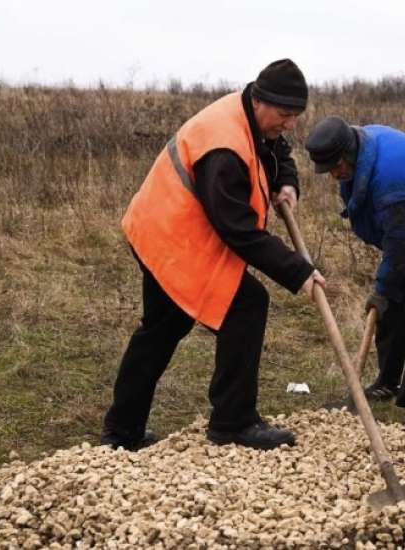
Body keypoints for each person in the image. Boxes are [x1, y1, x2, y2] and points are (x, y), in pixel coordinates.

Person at [101, 59, 326, 451]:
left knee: (161, 329)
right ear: (260, 100)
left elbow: (277, 150)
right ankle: (232, 422)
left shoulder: (249, 117)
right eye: (285, 115)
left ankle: (122, 431)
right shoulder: (223, 147)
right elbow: (237, 230)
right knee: (245, 304)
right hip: (172, 236)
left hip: (166, 226)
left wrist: (286, 183)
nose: (289, 124)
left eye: (296, 116)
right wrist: (298, 271)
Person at [304, 116, 405, 431]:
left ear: (349, 151)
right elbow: (393, 237)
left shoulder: (395, 177)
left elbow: (402, 245)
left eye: (336, 166)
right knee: (391, 306)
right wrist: (386, 291)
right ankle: (388, 381)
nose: (333, 175)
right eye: (328, 169)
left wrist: (382, 287)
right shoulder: (359, 152)